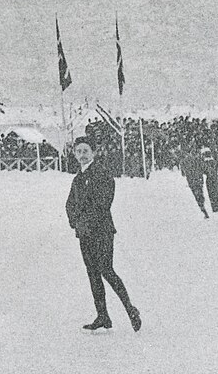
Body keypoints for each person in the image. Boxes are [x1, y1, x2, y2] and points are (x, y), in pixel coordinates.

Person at [65, 137, 141, 332]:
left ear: (93, 153)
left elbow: (103, 203)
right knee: (92, 274)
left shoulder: (101, 173)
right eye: (79, 151)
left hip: (102, 231)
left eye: (85, 151)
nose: (82, 155)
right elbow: (69, 205)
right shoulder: (78, 178)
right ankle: (103, 316)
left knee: (106, 270)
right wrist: (76, 223)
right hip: (84, 233)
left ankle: (130, 309)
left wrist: (86, 221)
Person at [179, 147, 209, 218]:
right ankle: (202, 201)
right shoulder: (198, 160)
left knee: (196, 195)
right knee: (200, 192)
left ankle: (203, 209)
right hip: (199, 179)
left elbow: (183, 174)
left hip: (191, 181)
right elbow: (204, 169)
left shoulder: (183, 162)